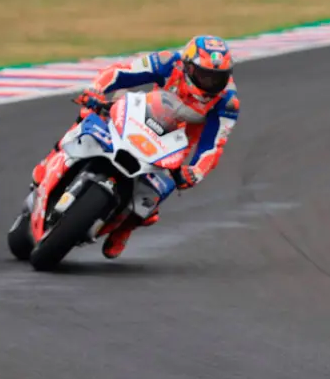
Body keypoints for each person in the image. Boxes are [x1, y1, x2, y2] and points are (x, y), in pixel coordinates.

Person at [26, 35, 240, 259]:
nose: (210, 83)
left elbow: (214, 145)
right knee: (90, 113)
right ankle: (52, 158)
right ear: (188, 66)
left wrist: (195, 172)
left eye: (218, 78)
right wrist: (96, 89)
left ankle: (126, 227)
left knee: (164, 185)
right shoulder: (168, 61)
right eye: (205, 75)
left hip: (174, 142)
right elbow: (122, 71)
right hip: (142, 116)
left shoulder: (227, 102)